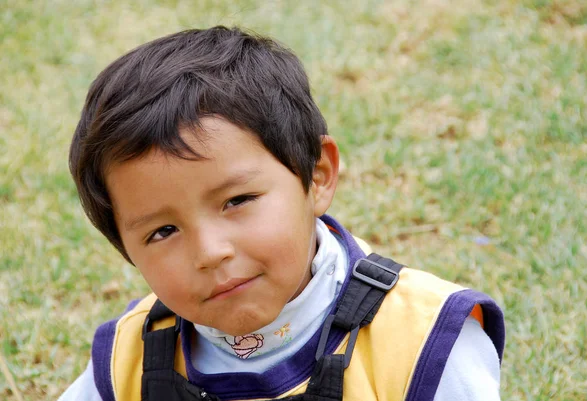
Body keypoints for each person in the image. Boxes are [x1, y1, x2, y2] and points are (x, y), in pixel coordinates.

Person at [59, 26, 504, 401]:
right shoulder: (124, 363)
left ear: (317, 176)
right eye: (163, 231)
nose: (210, 252)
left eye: (237, 201)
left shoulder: (425, 342)